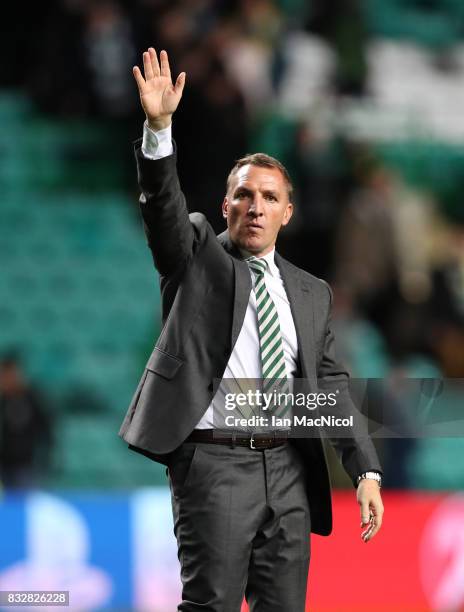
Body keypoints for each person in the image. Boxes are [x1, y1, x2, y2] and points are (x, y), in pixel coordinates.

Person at [119, 48, 384, 612]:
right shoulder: (195, 255)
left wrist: (366, 469)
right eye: (243, 195)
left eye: (269, 197)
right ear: (225, 206)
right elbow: (163, 210)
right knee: (211, 603)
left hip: (289, 467)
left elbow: (329, 385)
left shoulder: (313, 292)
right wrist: (159, 129)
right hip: (215, 464)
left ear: (288, 212)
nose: (255, 207)